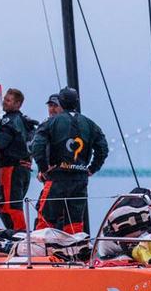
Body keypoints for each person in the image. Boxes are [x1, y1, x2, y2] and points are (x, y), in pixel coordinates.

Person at [30, 88, 109, 233]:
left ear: (61, 102)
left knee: (46, 220)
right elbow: (103, 149)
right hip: (80, 179)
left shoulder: (51, 123)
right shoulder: (90, 124)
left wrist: (43, 168)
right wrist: (92, 168)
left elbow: (37, 146)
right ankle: (74, 250)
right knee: (75, 222)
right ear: (76, 102)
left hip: (57, 178)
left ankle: (43, 250)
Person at [0, 88, 38, 229]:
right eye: (4, 99)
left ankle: (19, 236)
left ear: (18, 104)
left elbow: (0, 142)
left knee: (10, 206)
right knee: (8, 204)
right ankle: (16, 234)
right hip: (24, 169)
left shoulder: (9, 121)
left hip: (11, 169)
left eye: (8, 100)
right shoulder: (26, 122)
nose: (4, 102)